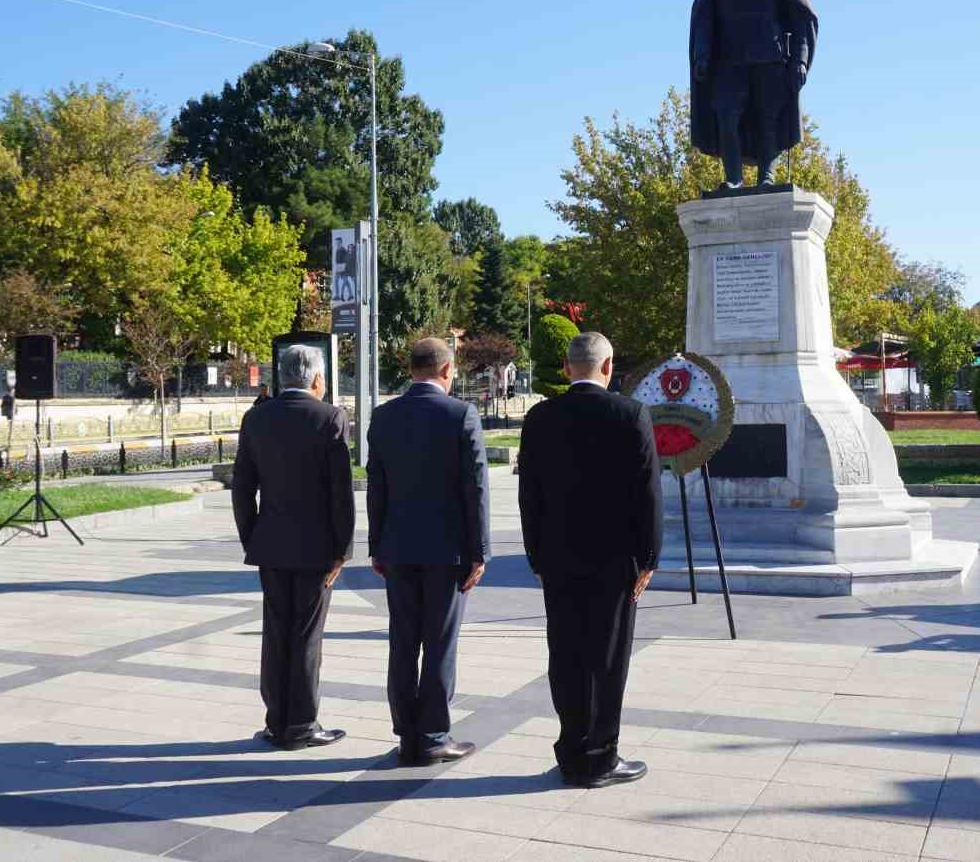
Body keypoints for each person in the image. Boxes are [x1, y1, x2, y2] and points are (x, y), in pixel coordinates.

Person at [518, 331, 662, 788]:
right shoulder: (631, 413)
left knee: (565, 655)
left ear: (566, 369)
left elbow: (529, 495)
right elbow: (647, 493)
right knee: (606, 657)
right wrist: (649, 557)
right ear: (608, 367)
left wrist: (535, 553)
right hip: (614, 557)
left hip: (559, 556)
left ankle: (571, 749)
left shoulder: (540, 417)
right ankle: (599, 758)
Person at [366, 337, 490, 766]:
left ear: (412, 368)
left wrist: (376, 547)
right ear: (447, 370)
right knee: (439, 644)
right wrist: (480, 551)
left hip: (397, 549)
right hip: (447, 552)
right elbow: (475, 488)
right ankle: (434, 735)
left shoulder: (383, 417)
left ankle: (407, 735)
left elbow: (376, 489)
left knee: (403, 642)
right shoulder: (461, 414)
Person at [232, 344, 354, 750]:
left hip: (271, 543)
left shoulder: (256, 418)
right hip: (317, 547)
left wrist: (252, 536)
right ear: (317, 379)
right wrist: (343, 549)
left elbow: (243, 487)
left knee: (276, 632)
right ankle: (301, 724)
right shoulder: (330, 418)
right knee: (306, 636)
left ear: (282, 376)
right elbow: (341, 493)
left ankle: (276, 719)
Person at [690, 0, 818, 196]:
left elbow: (802, 17)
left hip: (769, 57)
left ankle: (767, 178)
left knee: (767, 118)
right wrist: (701, 54)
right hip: (727, 61)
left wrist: (799, 61)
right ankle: (733, 178)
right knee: (726, 115)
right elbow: (704, 20)